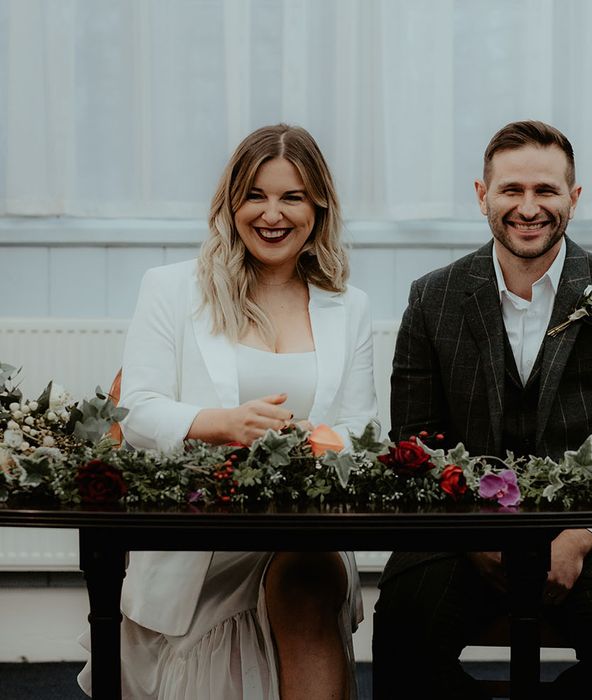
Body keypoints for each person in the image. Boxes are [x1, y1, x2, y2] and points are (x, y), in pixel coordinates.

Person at [372, 120, 592, 699]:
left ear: (574, 199)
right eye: (512, 190)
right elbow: (414, 439)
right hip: (457, 529)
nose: (529, 207)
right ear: (483, 195)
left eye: (546, 191)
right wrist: (469, 532)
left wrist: (583, 533)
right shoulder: (432, 297)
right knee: (402, 651)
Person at [77, 124, 378, 700]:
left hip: (302, 522)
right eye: (256, 195)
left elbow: (363, 431)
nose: (273, 214)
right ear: (231, 203)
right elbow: (136, 410)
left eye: (292, 197)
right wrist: (223, 425)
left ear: (317, 206)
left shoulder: (349, 305)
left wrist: (315, 442)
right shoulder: (170, 289)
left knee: (310, 581)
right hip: (201, 530)